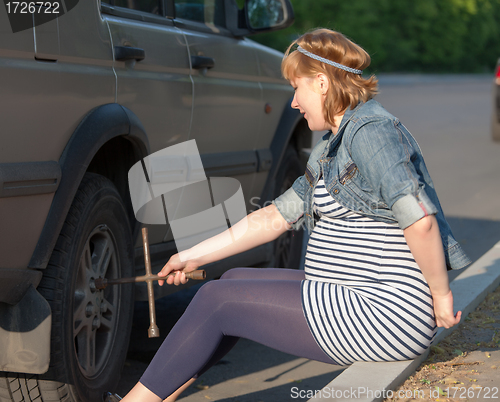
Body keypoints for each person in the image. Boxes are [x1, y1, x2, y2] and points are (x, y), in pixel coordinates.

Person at [108, 28, 470, 402]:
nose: (294, 102)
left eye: (297, 88)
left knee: (219, 300)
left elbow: (419, 219)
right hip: (353, 297)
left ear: (322, 82)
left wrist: (440, 296)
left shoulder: (370, 132)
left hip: (386, 314)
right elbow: (274, 218)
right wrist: (191, 255)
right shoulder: (332, 146)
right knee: (231, 280)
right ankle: (160, 397)